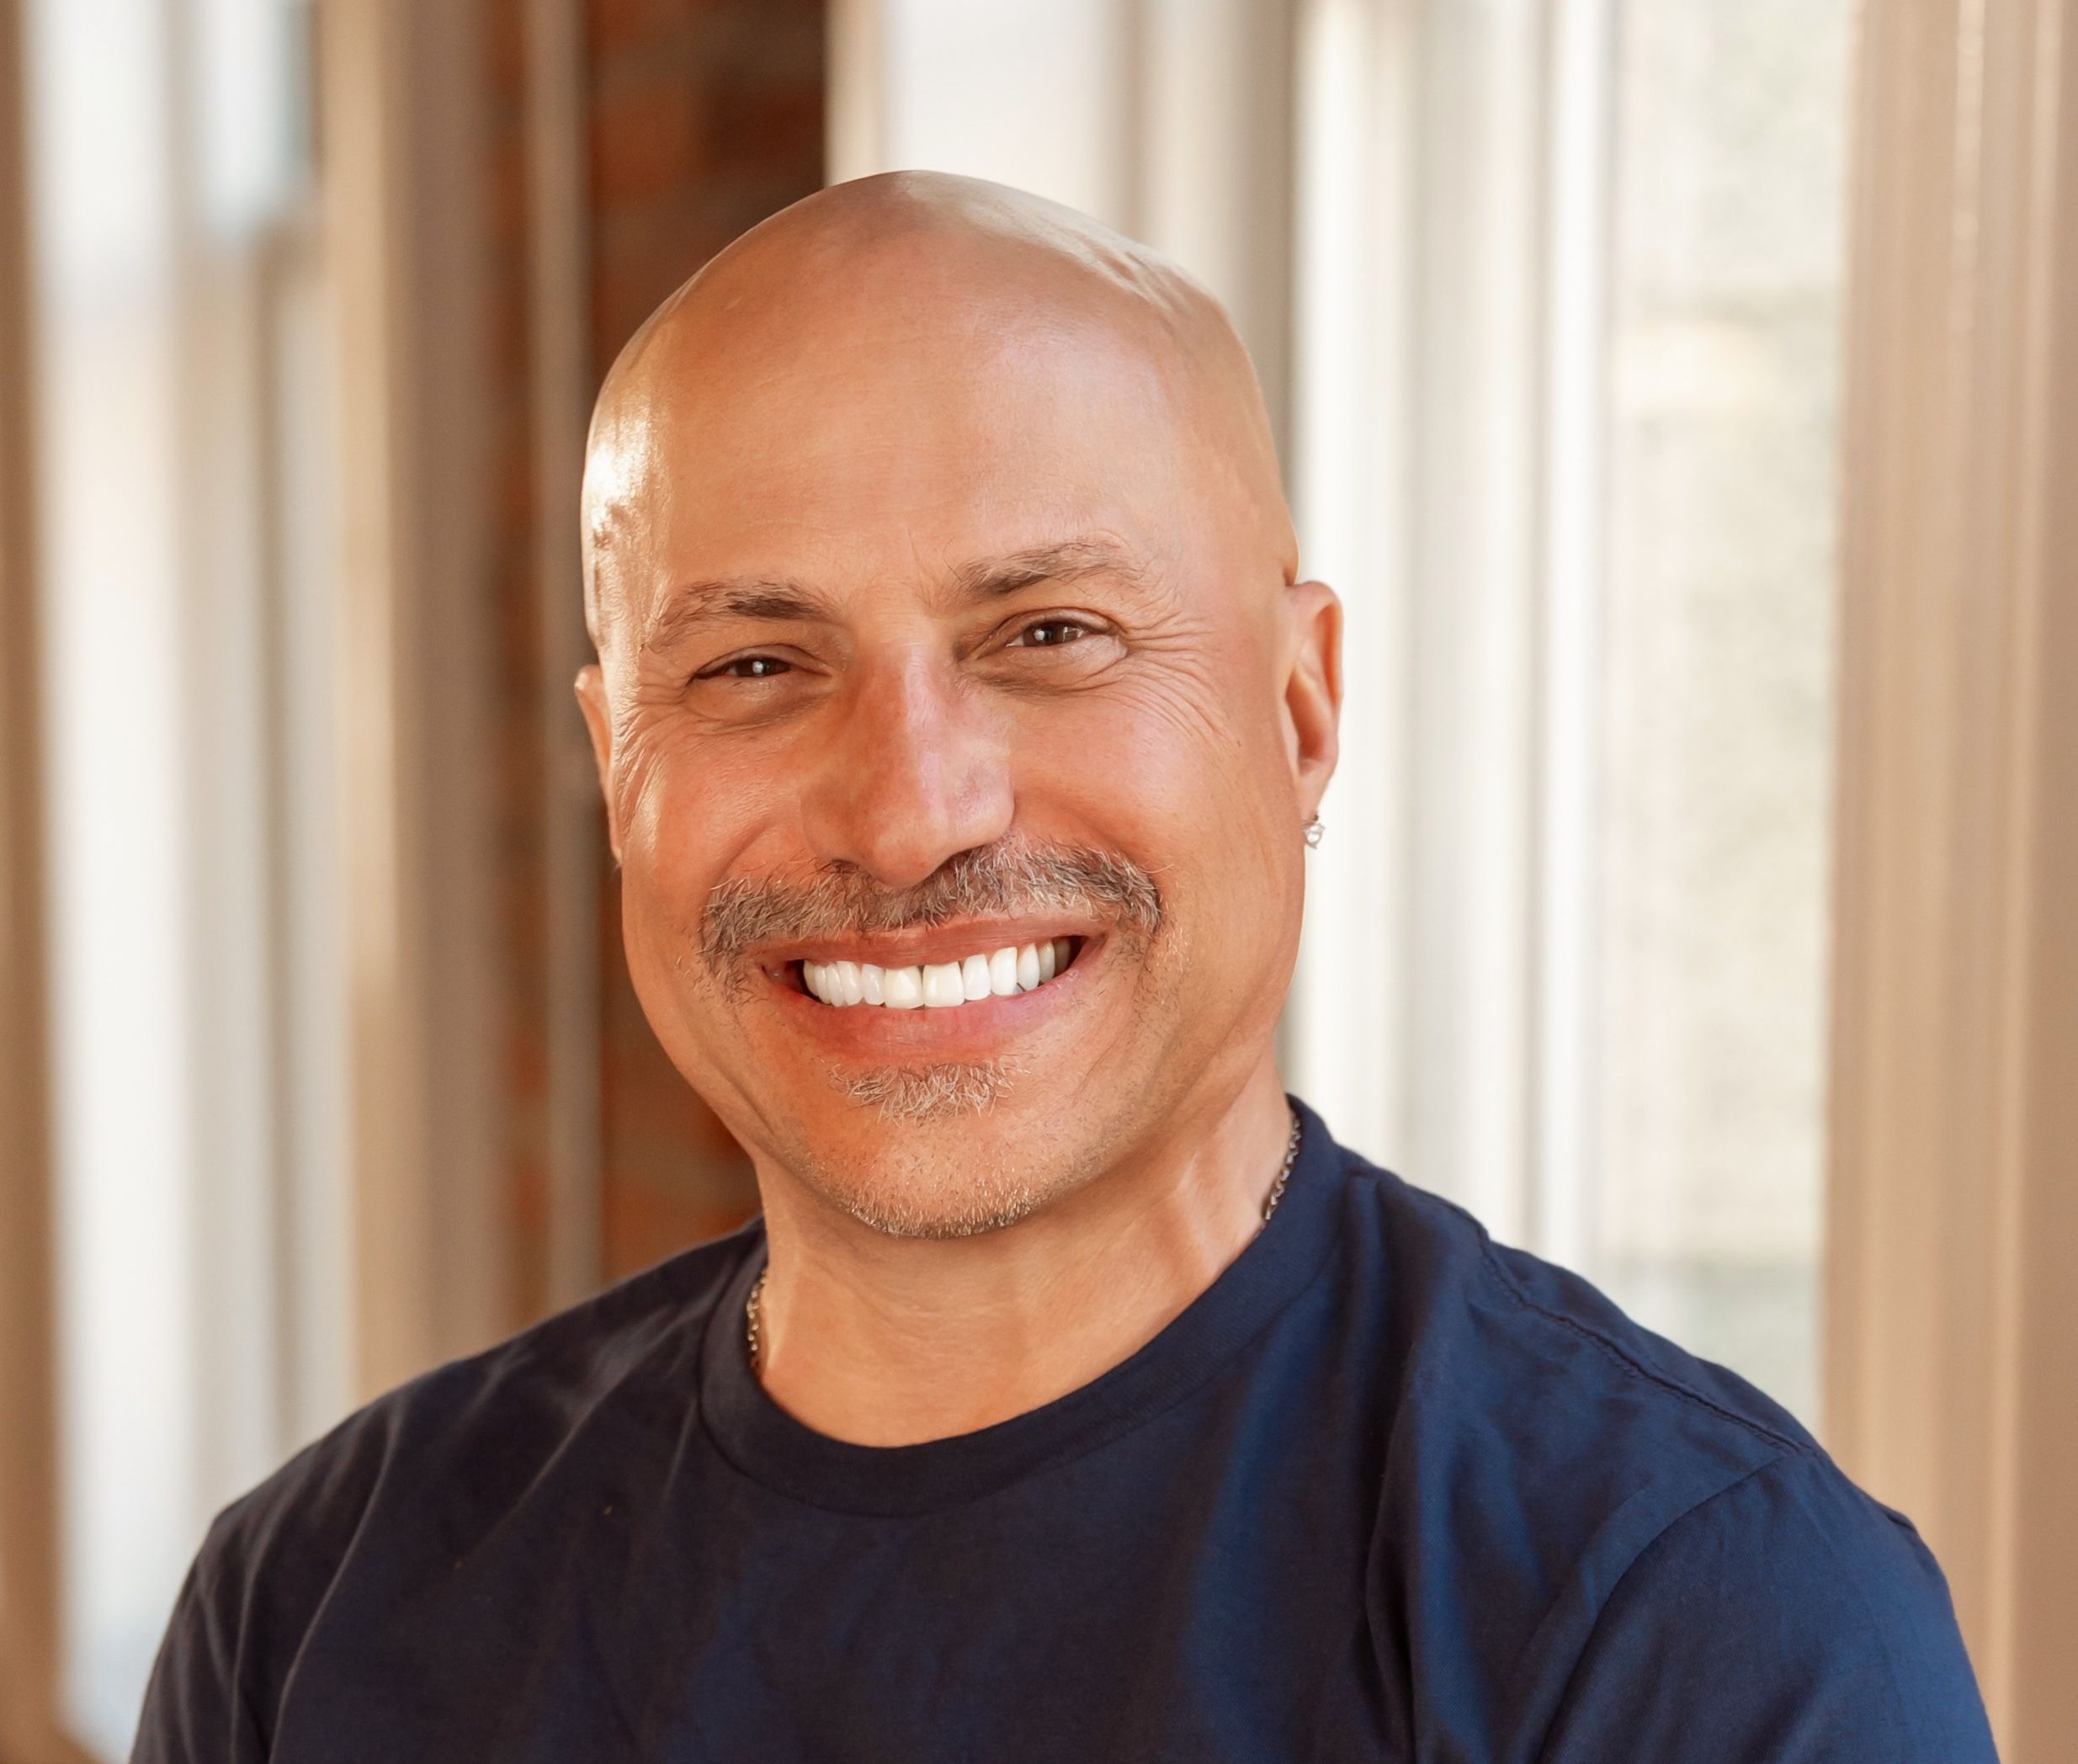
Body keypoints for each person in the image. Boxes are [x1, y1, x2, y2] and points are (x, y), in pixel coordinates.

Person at [134, 173, 1995, 1761]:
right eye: (757, 667)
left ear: (1298, 707)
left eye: (1047, 631)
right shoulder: (315, 1609)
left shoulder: (1687, 1625)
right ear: (620, 762)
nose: (908, 813)